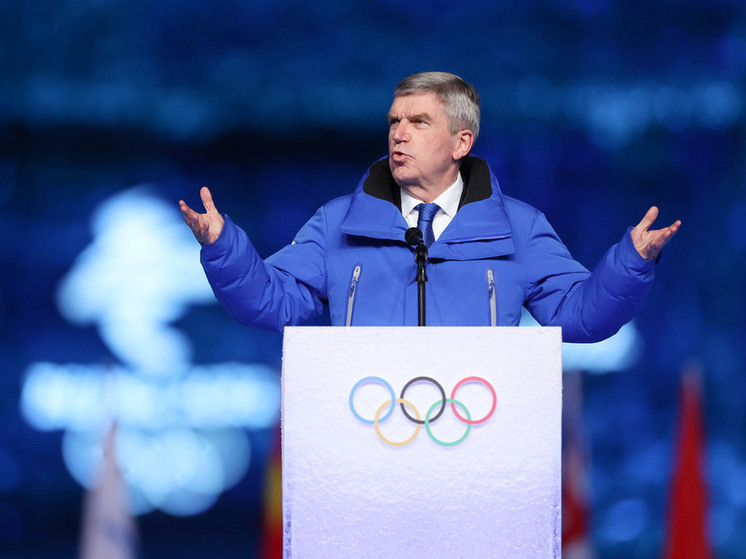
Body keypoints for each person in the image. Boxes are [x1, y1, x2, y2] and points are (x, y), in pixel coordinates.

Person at [179, 72, 680, 342]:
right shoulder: (337, 222)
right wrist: (223, 248)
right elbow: (271, 302)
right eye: (394, 121)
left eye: (418, 122)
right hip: (367, 442)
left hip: (474, 443)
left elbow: (579, 316)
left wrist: (631, 262)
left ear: (462, 142)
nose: (398, 133)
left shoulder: (520, 227)